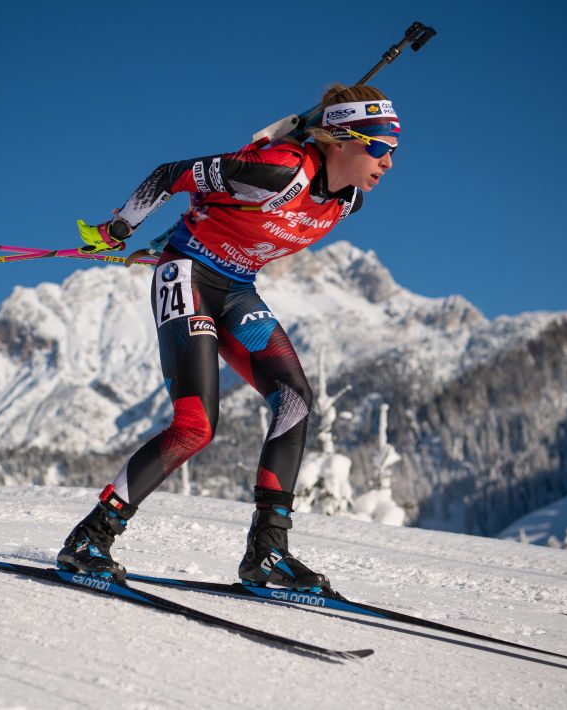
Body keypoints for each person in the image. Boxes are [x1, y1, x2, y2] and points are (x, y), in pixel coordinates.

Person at [57, 84, 399, 592]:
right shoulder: (280, 169)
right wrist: (118, 230)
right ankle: (90, 539)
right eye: (378, 147)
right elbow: (170, 175)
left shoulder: (349, 202)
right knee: (195, 424)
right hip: (187, 275)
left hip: (236, 288)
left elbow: (229, 213)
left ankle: (267, 553)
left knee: (295, 400)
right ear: (340, 140)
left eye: (394, 150)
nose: (388, 161)